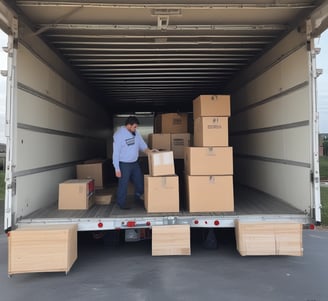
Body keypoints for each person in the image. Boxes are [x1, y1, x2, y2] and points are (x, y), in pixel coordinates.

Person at [112, 116, 151, 209]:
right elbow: (116, 153)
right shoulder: (119, 135)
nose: (136, 128)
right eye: (134, 127)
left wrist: (149, 151)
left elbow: (141, 144)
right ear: (128, 126)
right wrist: (117, 168)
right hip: (124, 164)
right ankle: (121, 204)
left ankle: (138, 199)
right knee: (123, 184)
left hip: (134, 163)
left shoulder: (135, 133)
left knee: (139, 182)